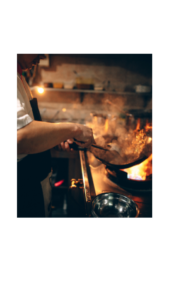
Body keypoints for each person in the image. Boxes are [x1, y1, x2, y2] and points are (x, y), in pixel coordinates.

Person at [16, 53, 94, 219]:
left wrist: (54, 137)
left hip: (33, 183)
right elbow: (20, 138)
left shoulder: (20, 77)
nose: (42, 56)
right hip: (21, 190)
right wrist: (74, 129)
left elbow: (30, 130)